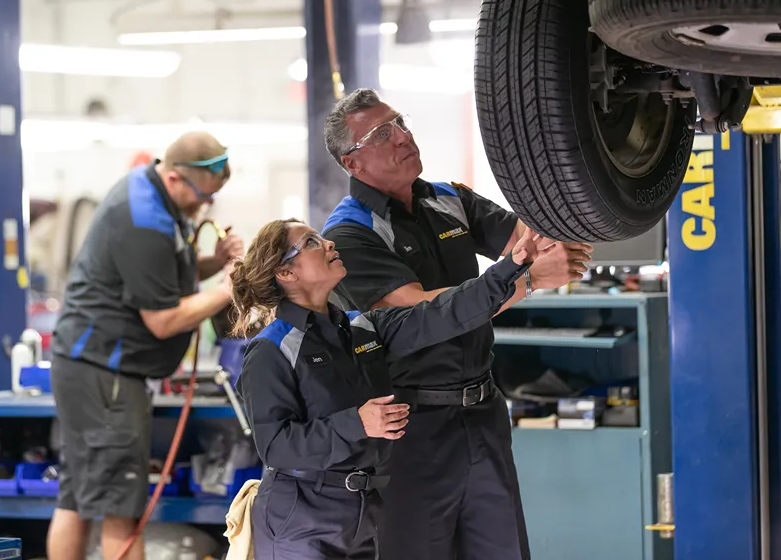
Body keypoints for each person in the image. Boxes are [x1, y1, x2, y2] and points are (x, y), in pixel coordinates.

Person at [321, 88, 594, 560]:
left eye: (401, 122)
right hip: (412, 428)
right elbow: (420, 315)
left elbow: (534, 242)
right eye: (382, 133)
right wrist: (526, 283)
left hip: (483, 412)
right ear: (353, 163)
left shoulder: (449, 199)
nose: (403, 136)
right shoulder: (349, 233)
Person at [231, 218, 542, 560]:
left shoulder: (362, 328)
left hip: (365, 514)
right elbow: (276, 446)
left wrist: (510, 267)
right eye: (310, 242)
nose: (328, 244)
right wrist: (358, 423)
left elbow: (444, 314)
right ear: (286, 273)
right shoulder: (271, 349)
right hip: (301, 518)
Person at [46, 132, 244, 560]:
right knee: (122, 510)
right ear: (174, 177)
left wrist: (214, 261)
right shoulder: (143, 219)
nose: (203, 207)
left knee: (77, 499)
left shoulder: (152, 192)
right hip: (106, 374)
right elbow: (162, 319)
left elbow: (164, 270)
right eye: (200, 197)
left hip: (88, 366)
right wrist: (228, 290)